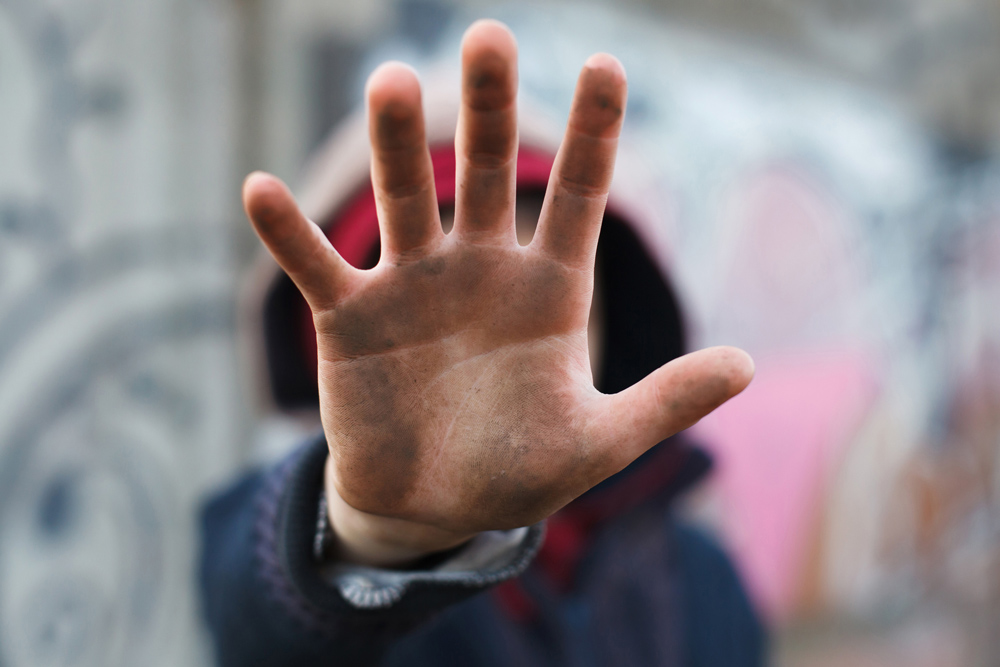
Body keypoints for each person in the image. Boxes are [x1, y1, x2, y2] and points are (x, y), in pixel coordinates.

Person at [200, 19, 764, 666]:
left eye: (557, 307)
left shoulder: (702, 573)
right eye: (424, 329)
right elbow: (258, 620)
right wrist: (377, 536)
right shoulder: (277, 538)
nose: (491, 365)